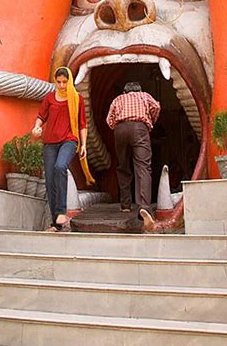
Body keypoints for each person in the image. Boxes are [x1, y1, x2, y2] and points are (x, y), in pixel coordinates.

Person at [32, 66, 94, 231]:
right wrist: (36, 127)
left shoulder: (77, 99)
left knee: (60, 167)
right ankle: (56, 224)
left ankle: (61, 212)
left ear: (70, 81)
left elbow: (82, 124)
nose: (61, 85)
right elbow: (41, 117)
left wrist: (84, 145)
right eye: (58, 82)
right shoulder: (49, 98)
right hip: (49, 143)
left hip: (69, 140)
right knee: (50, 180)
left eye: (64, 82)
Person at [106, 81, 160, 232]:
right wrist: (150, 121)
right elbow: (156, 107)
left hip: (120, 129)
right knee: (143, 167)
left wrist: (119, 127)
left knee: (123, 166)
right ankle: (144, 208)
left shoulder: (118, 99)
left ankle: (125, 205)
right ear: (140, 89)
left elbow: (109, 120)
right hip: (139, 128)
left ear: (124, 91)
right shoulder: (145, 96)